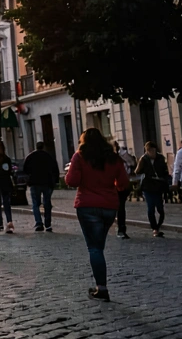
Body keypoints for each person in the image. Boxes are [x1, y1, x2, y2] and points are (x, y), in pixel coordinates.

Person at [66, 128, 129, 301]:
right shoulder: (113, 158)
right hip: (109, 206)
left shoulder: (80, 157)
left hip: (87, 205)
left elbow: (72, 181)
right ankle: (100, 286)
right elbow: (123, 183)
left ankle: (101, 288)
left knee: (94, 248)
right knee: (98, 246)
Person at [133, 141, 170, 237]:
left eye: (153, 150)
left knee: (160, 208)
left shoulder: (160, 158)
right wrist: (140, 163)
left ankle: (158, 225)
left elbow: (165, 172)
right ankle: (155, 228)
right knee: (151, 208)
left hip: (158, 186)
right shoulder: (144, 159)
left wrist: (166, 181)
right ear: (146, 151)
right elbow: (137, 171)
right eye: (149, 151)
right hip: (148, 186)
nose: (152, 153)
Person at [22, 142, 60, 232]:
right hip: (47, 183)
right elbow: (55, 169)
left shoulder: (30, 156)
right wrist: (55, 181)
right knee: (47, 203)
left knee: (35, 204)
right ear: (43, 147)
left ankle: (38, 222)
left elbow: (25, 169)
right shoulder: (48, 157)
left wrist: (29, 178)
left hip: (34, 183)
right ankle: (48, 224)